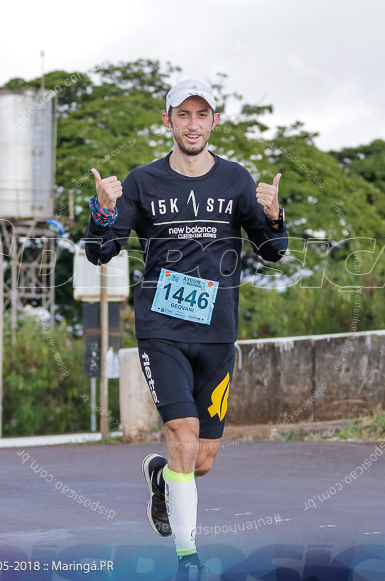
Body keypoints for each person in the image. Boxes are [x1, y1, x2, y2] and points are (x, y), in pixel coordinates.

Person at [84, 79, 288, 577]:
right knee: (182, 429)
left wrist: (275, 216)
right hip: (162, 327)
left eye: (202, 115)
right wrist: (103, 212)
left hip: (217, 331)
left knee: (201, 460)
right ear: (168, 122)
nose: (192, 124)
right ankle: (188, 557)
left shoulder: (237, 180)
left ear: (214, 121)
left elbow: (273, 251)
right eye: (183, 115)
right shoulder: (142, 181)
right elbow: (99, 252)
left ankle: (161, 478)